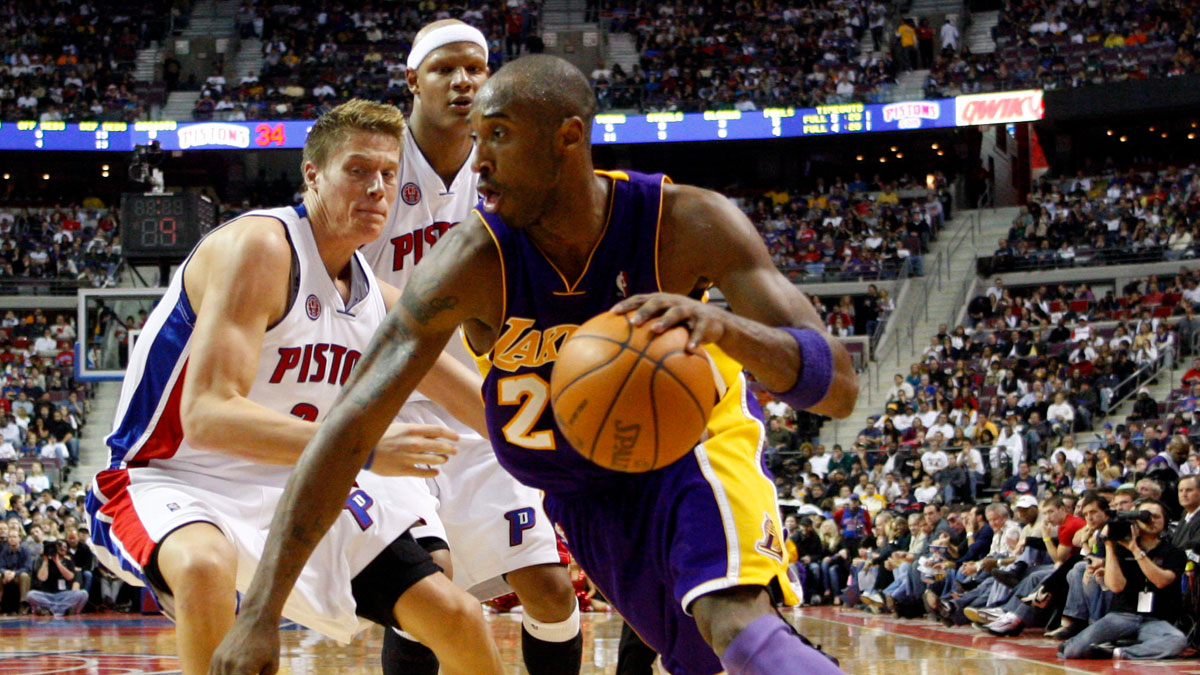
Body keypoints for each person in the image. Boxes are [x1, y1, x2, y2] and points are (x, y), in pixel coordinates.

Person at [211, 55, 856, 675]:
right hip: (581, 496)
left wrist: (726, 328)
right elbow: (349, 425)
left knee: (733, 618)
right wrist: (260, 612)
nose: (478, 161)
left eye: (498, 136)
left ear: (567, 138)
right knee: (707, 660)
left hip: (692, 451)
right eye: (475, 138)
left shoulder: (686, 221)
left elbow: (840, 391)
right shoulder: (471, 261)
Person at [84, 101, 503, 675]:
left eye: (387, 174)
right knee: (205, 568)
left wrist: (579, 458)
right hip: (174, 475)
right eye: (358, 170)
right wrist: (370, 451)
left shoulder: (377, 298)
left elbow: (484, 405)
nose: (377, 188)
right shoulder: (261, 246)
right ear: (313, 174)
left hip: (299, 480)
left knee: (459, 620)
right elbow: (208, 415)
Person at [356, 20, 580, 675]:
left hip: (484, 411)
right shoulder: (376, 165)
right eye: (445, 69)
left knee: (551, 587)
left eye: (475, 69)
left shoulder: (508, 170)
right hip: (392, 408)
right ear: (411, 81)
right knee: (434, 589)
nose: (462, 81)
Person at [1058, 499, 1188, 660]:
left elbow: (1161, 581)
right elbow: (1116, 586)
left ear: (1165, 521)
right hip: (1122, 615)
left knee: (1177, 641)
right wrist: (1109, 546)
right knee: (1072, 652)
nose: (1150, 521)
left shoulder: (1174, 552)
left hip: (1155, 619)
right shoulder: (1120, 548)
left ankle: (1118, 652)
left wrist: (1136, 550)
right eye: (1145, 517)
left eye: (1156, 516)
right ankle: (1118, 645)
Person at [25, 539, 88, 616]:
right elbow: (42, 578)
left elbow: (70, 577)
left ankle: (51, 610)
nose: (62, 548)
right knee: (31, 595)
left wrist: (58, 562)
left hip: (64, 595)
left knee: (83, 594)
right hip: (47, 595)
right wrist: (45, 561)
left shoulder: (69, 562)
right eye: (60, 546)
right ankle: (61, 610)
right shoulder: (43, 561)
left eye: (65, 547)